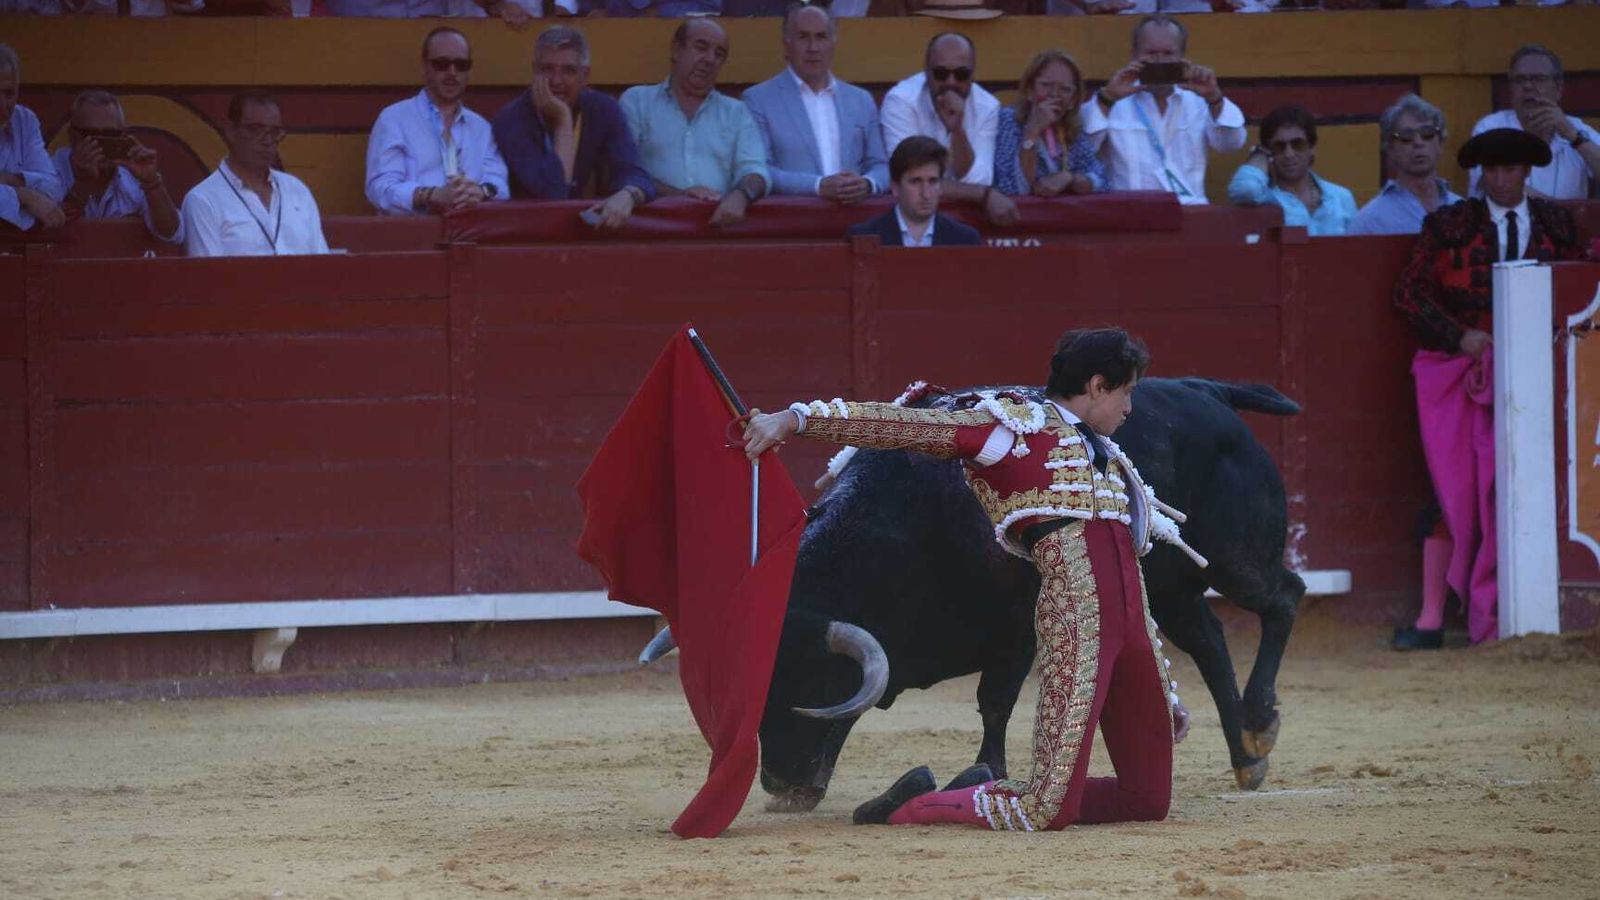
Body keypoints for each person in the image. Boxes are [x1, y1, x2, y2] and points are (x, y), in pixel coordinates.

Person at [742, 327, 1190, 831]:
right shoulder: (1011, 431)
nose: (1130, 408)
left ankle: (978, 792)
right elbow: (899, 425)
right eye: (1126, 392)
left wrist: (1163, 690)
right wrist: (795, 419)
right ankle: (908, 808)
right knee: (1046, 810)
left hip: (1133, 633)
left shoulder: (1107, 454)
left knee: (1147, 800)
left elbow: (1126, 571)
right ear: (1097, 385)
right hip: (1077, 626)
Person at [1391, 128, 1584, 651]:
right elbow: (1409, 293)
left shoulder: (1557, 225)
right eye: (1491, 170)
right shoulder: (1448, 225)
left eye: (1510, 169)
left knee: (1530, 488)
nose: (1500, 179)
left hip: (1541, 379)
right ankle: (1432, 619)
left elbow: (1577, 295)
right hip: (1462, 373)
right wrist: (1460, 335)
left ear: (1528, 172)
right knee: (1454, 489)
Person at [494, 27, 653, 231]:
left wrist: (628, 194)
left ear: (585, 76)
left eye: (568, 70)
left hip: (587, 233)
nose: (556, 81)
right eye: (547, 69)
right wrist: (563, 122)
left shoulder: (603, 108)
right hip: (526, 234)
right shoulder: (511, 119)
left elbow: (636, 173)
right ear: (535, 72)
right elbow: (552, 196)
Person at [620, 19, 769, 230]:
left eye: (719, 54)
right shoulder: (637, 101)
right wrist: (679, 196)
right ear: (676, 50)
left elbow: (755, 170)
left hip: (719, 231)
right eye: (701, 47)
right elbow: (623, 170)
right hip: (651, 229)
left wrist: (741, 195)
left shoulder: (736, 112)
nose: (710, 59)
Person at [1081, 15, 1245, 205]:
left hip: (1190, 212)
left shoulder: (1200, 100)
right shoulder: (1110, 100)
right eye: (1151, 52)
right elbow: (1084, 149)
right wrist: (1106, 100)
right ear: (1134, 54)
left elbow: (1231, 144)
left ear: (1182, 55)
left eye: (1168, 53)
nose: (1159, 60)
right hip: (1130, 214)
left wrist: (1215, 99)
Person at [742, 5, 888, 204]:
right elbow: (759, 170)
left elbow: (881, 166)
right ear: (786, 43)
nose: (813, 48)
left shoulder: (861, 100)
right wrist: (817, 186)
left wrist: (868, 183)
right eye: (803, 37)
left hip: (854, 216)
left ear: (833, 42)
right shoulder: (758, 99)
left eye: (821, 37)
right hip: (795, 218)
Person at [366, 27, 509, 217]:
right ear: (424, 67)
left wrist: (480, 192)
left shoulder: (481, 127)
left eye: (461, 65)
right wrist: (431, 195)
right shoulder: (394, 119)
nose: (452, 72)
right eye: (442, 64)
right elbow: (379, 189)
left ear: (470, 71)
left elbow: (500, 185)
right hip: (411, 231)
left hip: (470, 229)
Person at [879, 33, 1016, 226]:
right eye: (941, 73)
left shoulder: (987, 106)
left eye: (961, 74)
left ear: (973, 75)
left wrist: (957, 129)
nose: (951, 82)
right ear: (926, 71)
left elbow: (978, 179)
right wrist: (982, 195)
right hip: (910, 217)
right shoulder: (901, 100)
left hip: (965, 221)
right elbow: (909, 177)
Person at [182, 90, 329, 257]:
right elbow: (208, 271)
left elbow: (322, 262)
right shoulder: (203, 201)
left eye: (274, 132)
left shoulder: (297, 191)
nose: (267, 140)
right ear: (230, 131)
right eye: (255, 130)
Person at [1466, 45, 1599, 202]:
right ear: (1510, 88)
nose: (1528, 86)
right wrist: (1565, 211)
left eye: (1538, 79)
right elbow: (1495, 186)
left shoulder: (1576, 129)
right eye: (1519, 80)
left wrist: (1573, 137)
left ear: (1559, 88)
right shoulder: (1491, 127)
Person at [51, 90, 182, 243]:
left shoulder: (132, 174)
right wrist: (84, 184)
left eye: (110, 134)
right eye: (91, 135)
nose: (100, 144)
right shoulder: (49, 170)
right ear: (72, 136)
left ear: (123, 136)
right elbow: (48, 230)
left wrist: (151, 183)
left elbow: (172, 234)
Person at [1226, 105, 1356, 236]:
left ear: (1311, 148)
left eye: (1298, 144)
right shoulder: (1265, 198)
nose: (1289, 154)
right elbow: (1246, 189)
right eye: (1279, 146)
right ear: (1269, 152)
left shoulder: (1341, 198)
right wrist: (1259, 153)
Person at [993, 50, 1106, 198]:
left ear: (1072, 100)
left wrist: (1069, 178)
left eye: (1065, 89)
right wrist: (1032, 132)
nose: (1054, 94)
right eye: (1045, 85)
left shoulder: (1072, 131)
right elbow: (1008, 187)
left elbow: (1102, 180)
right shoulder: (1007, 121)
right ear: (1030, 90)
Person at [1348, 95, 1462, 237]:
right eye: (1406, 136)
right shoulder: (1369, 222)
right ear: (1390, 149)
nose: (1418, 143)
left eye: (1427, 134)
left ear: (1441, 144)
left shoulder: (1463, 211)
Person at [846, 136, 979, 248]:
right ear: (895, 187)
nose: (926, 194)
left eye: (933, 181)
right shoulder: (862, 237)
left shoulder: (965, 240)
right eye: (915, 181)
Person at [0, 44, 66, 232]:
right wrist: (24, 196)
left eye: (8, 93)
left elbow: (54, 188)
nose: (1, 105)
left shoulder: (24, 120)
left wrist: (6, 179)